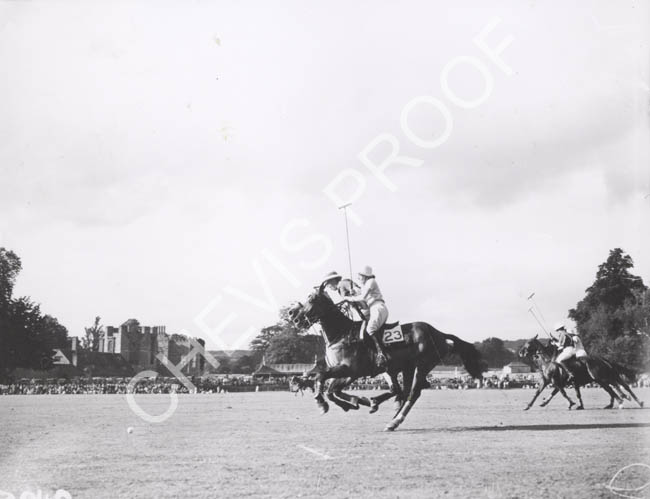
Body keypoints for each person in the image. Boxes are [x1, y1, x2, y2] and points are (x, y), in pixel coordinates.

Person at [345, 265, 389, 367]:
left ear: (364, 276)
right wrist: (354, 296)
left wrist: (349, 298)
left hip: (378, 307)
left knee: (370, 329)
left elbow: (363, 296)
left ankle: (382, 354)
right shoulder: (367, 284)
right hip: (374, 308)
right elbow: (363, 302)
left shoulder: (371, 281)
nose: (359, 278)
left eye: (360, 276)